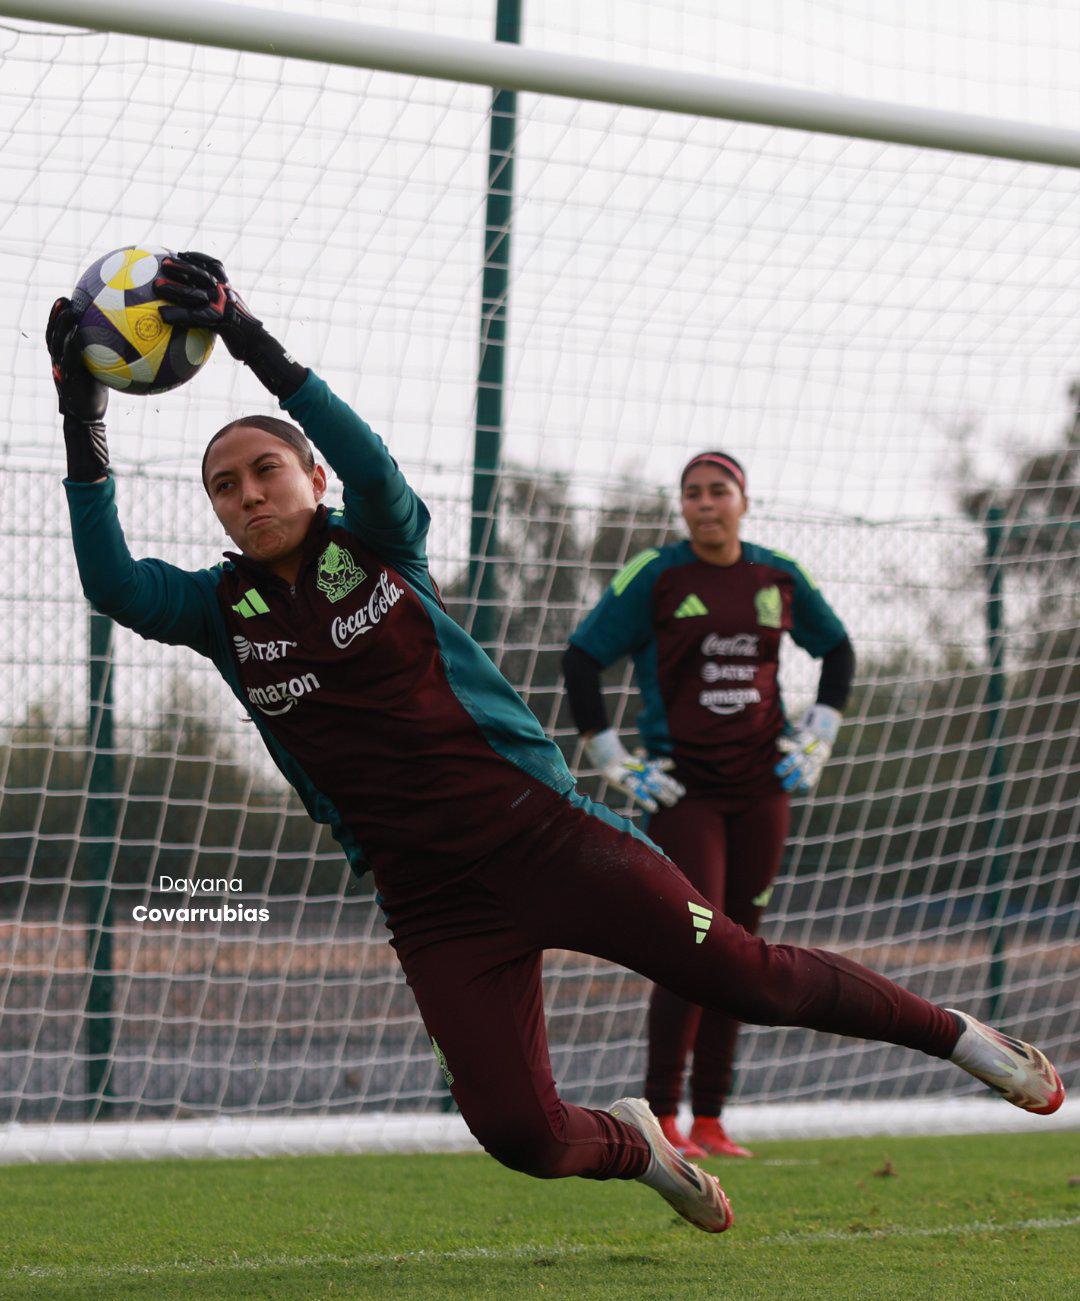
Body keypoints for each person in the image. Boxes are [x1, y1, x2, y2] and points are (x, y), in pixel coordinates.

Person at [50, 256, 1064, 1236]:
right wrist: (80, 416)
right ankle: (643, 1149)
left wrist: (248, 337)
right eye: (225, 486)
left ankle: (964, 1038)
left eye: (266, 470)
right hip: (432, 901)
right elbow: (114, 586)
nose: (249, 493)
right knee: (521, 1136)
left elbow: (373, 464)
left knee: (746, 978)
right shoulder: (221, 609)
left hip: (549, 838)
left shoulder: (380, 542)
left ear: (310, 477)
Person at [562, 451, 853, 1159]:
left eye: (718, 491)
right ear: (682, 507)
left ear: (743, 501)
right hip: (684, 790)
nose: (704, 504)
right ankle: (660, 1114)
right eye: (691, 493)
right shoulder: (654, 575)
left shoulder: (775, 575)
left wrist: (817, 736)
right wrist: (611, 756)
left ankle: (713, 1118)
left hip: (763, 789)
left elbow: (838, 650)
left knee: (746, 954)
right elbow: (581, 658)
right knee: (697, 942)